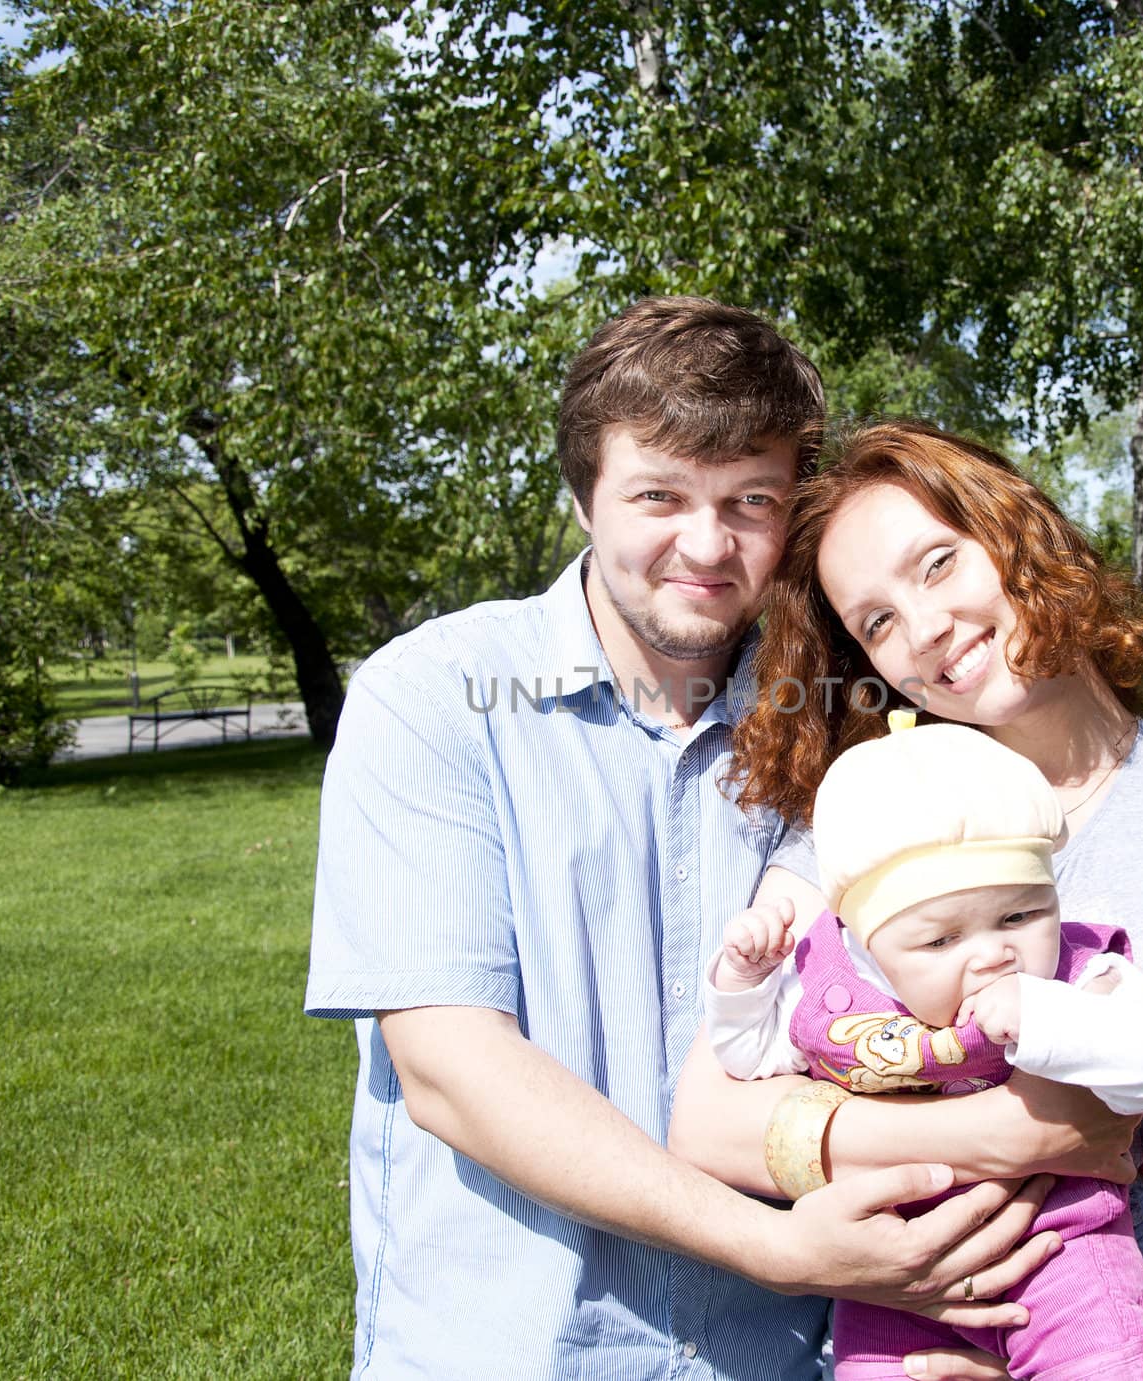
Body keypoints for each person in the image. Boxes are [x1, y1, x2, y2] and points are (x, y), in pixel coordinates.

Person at [304, 302, 1079, 1381]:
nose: (707, 546)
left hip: (788, 1356)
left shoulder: (846, 716)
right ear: (583, 497)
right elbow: (449, 1069)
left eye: (750, 501)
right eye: (658, 496)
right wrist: (770, 1245)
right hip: (516, 1349)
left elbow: (984, 956)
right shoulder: (431, 699)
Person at [670, 418, 1143, 1381]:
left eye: (939, 563)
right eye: (875, 621)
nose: (925, 630)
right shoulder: (861, 825)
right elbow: (707, 1122)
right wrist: (985, 1146)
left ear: (1017, 529)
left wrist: (1082, 1317)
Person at [708, 717, 1143, 1379]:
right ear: (866, 943)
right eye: (941, 941)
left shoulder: (1077, 974)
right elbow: (750, 1058)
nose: (994, 950)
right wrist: (743, 986)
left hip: (1062, 1248)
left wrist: (1047, 1017)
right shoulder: (835, 991)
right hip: (890, 1272)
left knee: (1109, 1363)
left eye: (1021, 915)